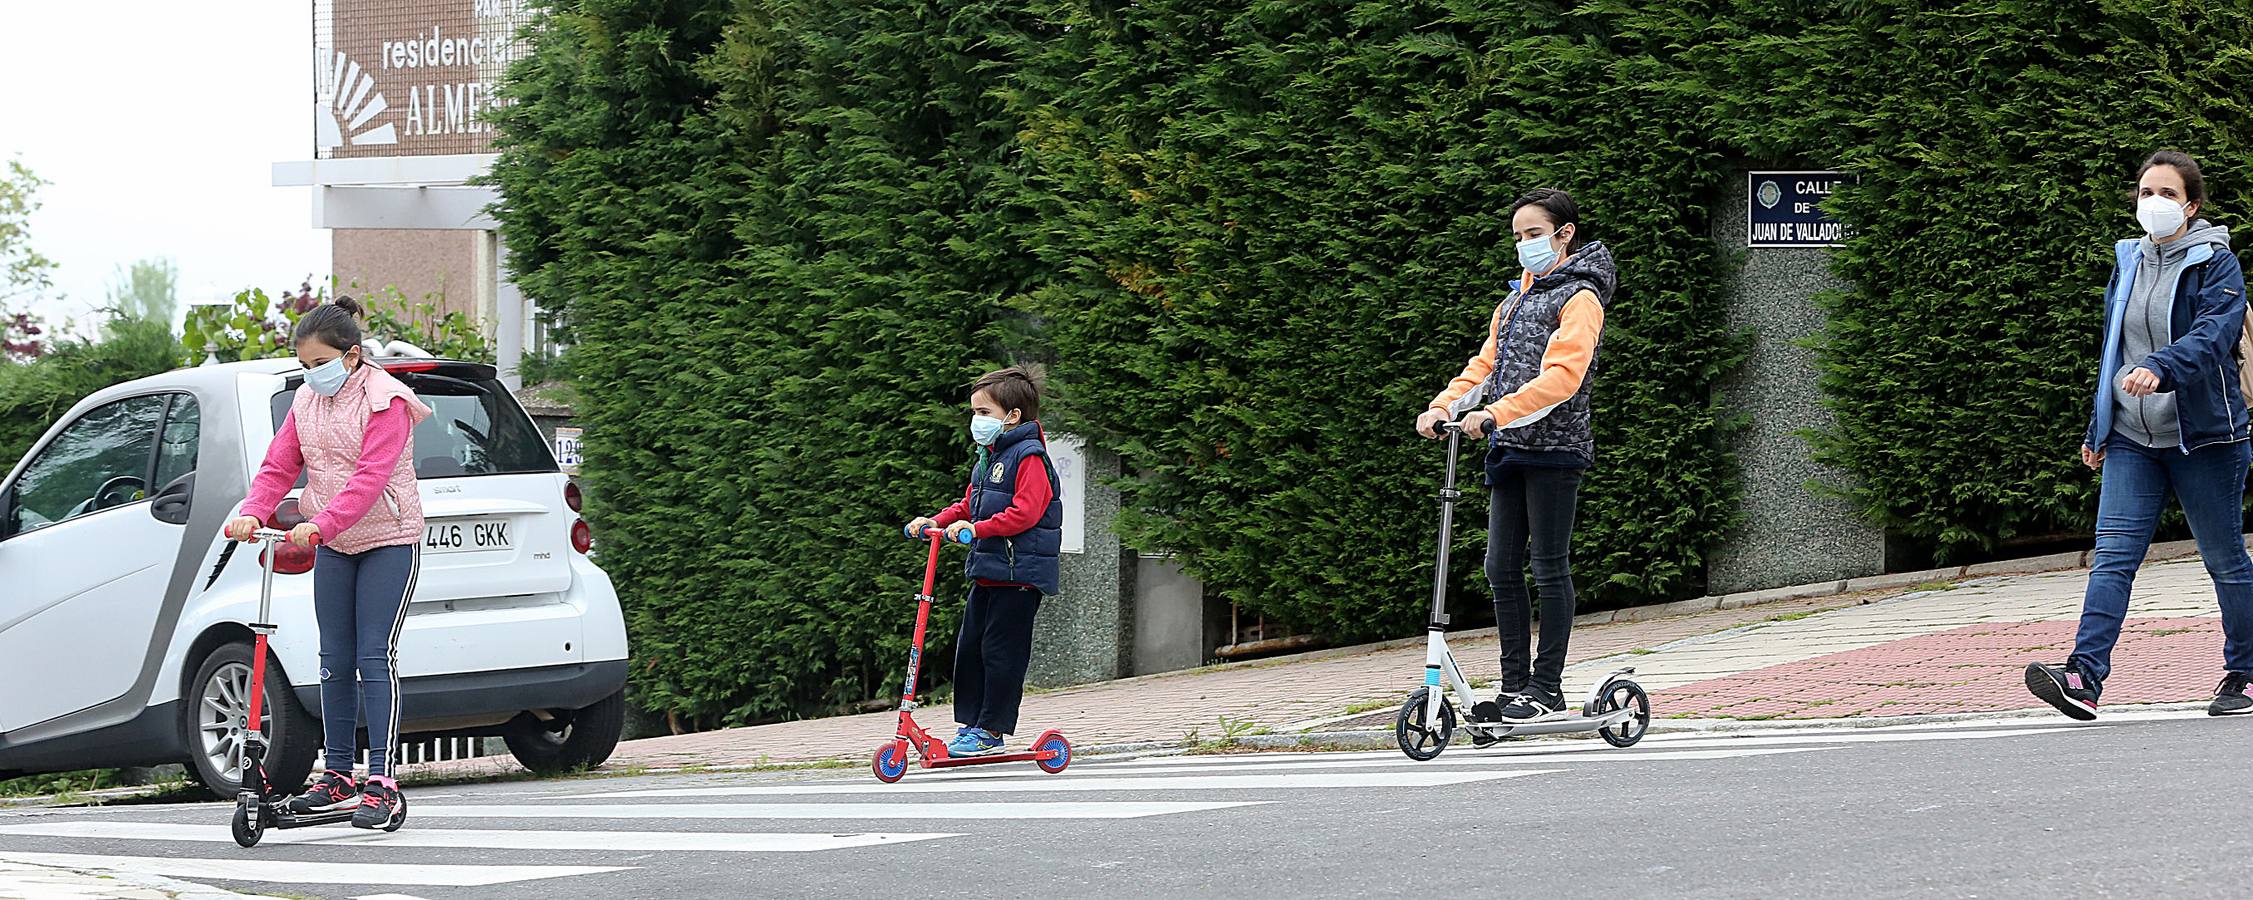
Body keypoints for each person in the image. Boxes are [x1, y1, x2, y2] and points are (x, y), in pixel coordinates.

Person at [2027, 150, 2253, 720]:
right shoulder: (2127, 260)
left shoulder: (2217, 264)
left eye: (2168, 195)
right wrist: (2099, 425)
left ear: (2191, 205)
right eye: (2147, 193)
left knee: (2224, 560)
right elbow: (2113, 350)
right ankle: (2084, 676)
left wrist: (2163, 368)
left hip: (2205, 438)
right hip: (2132, 437)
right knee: (2113, 558)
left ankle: (2246, 673)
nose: (2155, 203)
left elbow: (2213, 334)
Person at [225, 296, 433, 828]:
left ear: (352, 356)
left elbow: (369, 478)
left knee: (372, 655)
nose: (311, 374)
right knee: (333, 659)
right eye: (304, 366)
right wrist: (253, 511)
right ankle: (338, 772)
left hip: (389, 538)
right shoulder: (305, 404)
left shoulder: (387, 402)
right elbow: (279, 466)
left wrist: (321, 522)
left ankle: (381, 781)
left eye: (319, 364)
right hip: (336, 546)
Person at [1416, 188, 1615, 723]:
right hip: (1510, 449)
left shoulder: (1581, 298)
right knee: (1500, 566)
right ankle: (1513, 688)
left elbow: (1563, 378)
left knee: (1548, 568)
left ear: (1563, 234)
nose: (1525, 245)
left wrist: (1497, 414)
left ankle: (1546, 689)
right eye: (1518, 237)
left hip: (1555, 448)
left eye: (1533, 235)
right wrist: (1442, 407)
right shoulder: (1516, 300)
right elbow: (1484, 367)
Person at [903, 367, 1066, 756]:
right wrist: (936, 521)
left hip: (1020, 574)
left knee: (1000, 652)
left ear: (1012, 416)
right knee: (971, 648)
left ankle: (991, 730)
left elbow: (1025, 512)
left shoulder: (1030, 457)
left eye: (984, 413)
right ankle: (971, 726)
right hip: (990, 571)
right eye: (974, 412)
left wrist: (977, 530)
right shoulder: (988, 458)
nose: (976, 421)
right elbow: (968, 503)